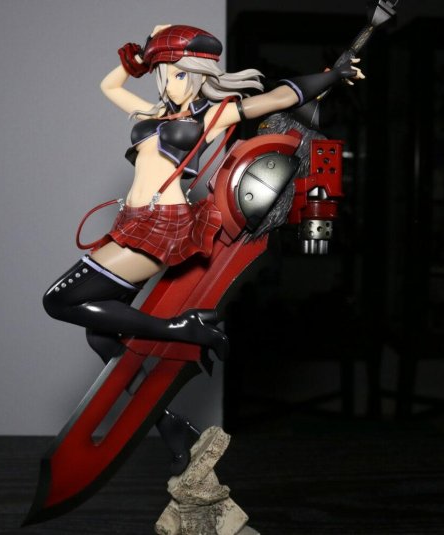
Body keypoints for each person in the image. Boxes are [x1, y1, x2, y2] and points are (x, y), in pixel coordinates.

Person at [41, 24, 363, 474]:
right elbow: (109, 87)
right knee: (102, 335)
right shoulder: (154, 112)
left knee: (59, 299)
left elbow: (279, 97)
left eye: (178, 74)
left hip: (160, 225)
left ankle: (181, 327)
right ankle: (171, 426)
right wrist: (138, 60)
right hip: (132, 221)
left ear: (198, 75)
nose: (169, 84)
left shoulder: (214, 115)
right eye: (164, 75)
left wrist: (331, 75)